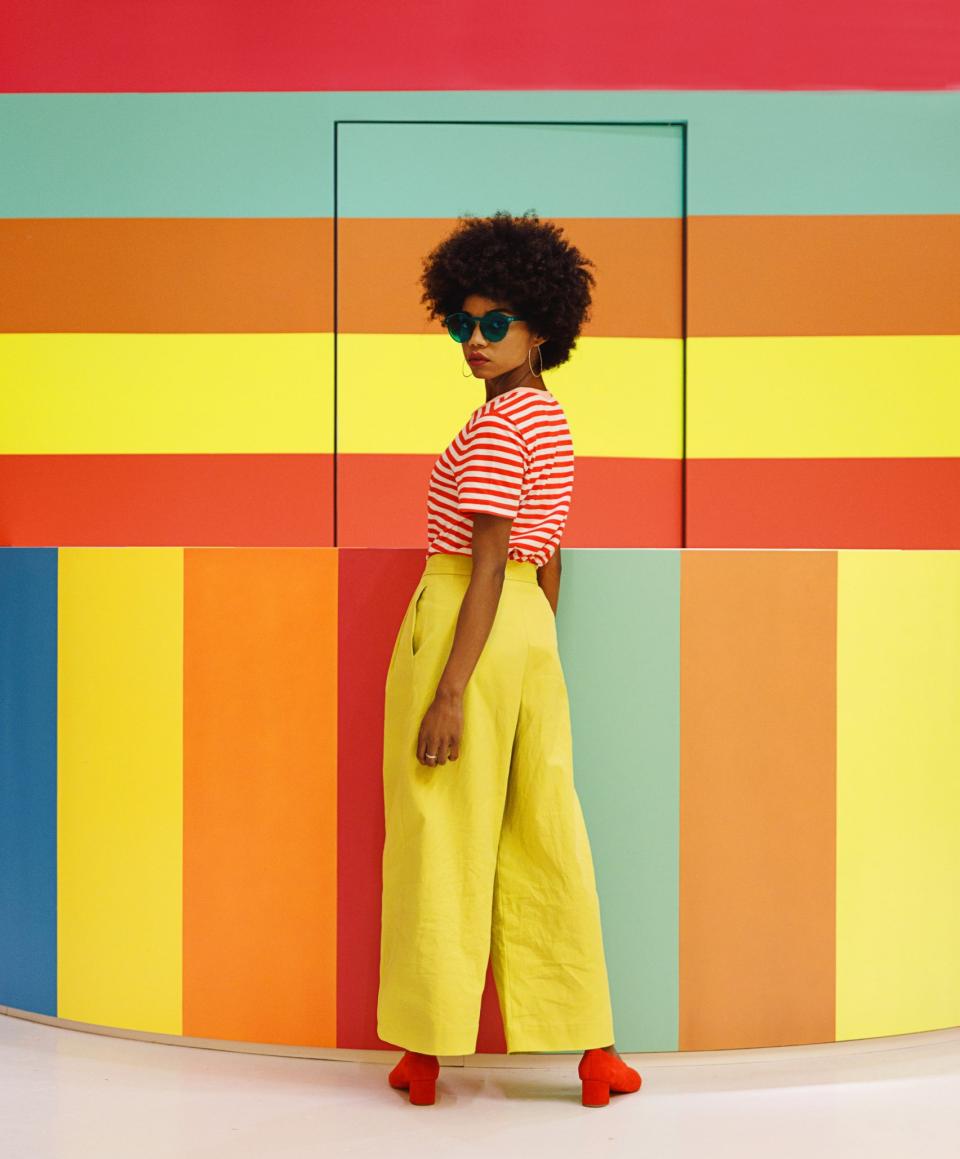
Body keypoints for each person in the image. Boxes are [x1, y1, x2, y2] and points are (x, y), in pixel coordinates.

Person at [377, 210, 642, 1108]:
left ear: (542, 327)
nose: (474, 340)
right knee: (546, 833)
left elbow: (486, 558)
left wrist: (452, 688)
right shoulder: (550, 418)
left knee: (441, 833)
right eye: (463, 322)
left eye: (495, 324)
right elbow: (545, 558)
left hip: (470, 620)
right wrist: (536, 655)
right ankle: (594, 1051)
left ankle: (426, 1052)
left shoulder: (494, 428)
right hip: (525, 632)